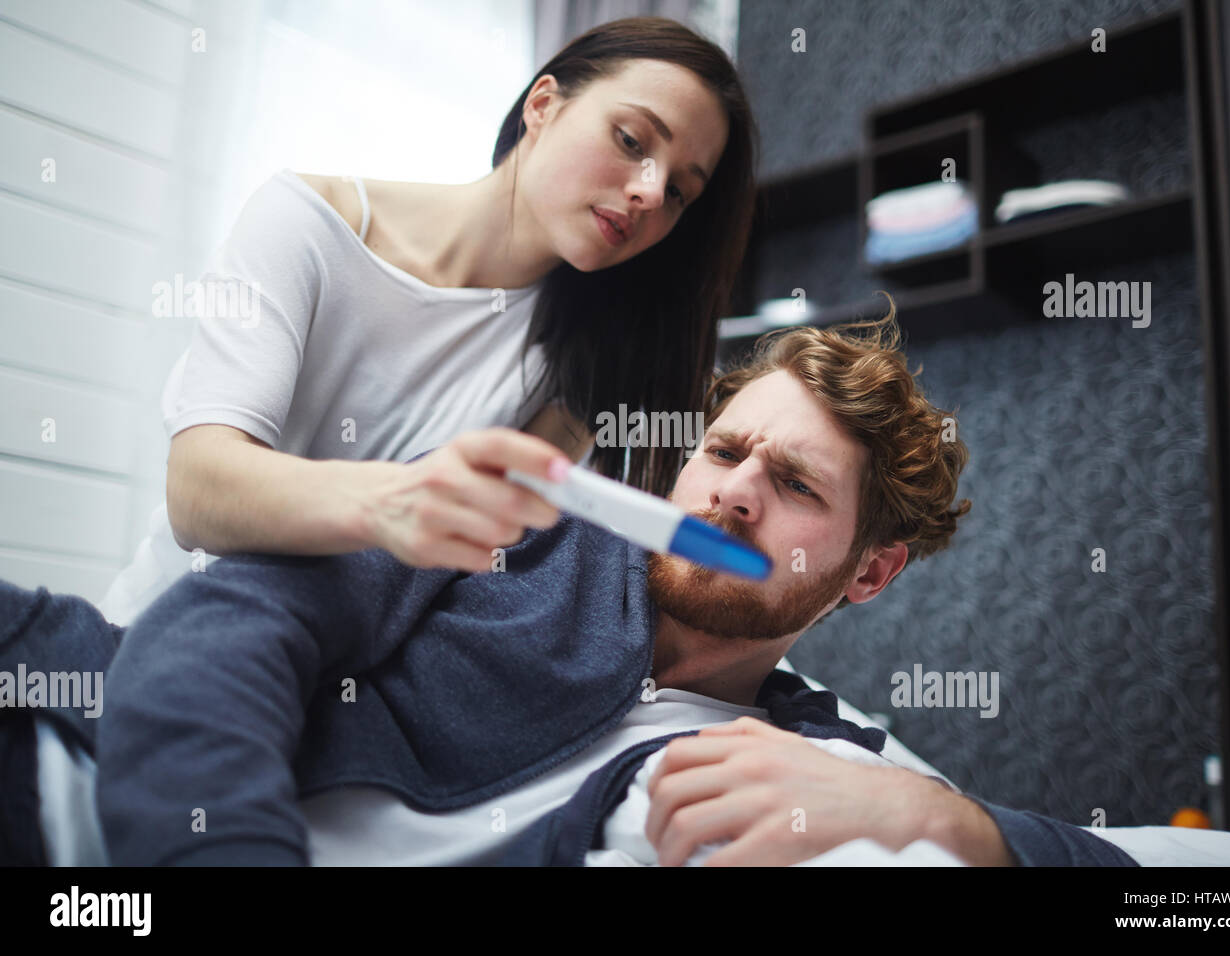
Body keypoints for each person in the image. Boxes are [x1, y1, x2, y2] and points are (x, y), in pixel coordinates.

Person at [0, 314, 1136, 867]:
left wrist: (952, 819)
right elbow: (227, 627)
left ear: (870, 570)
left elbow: (1163, 882)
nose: (734, 492)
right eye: (725, 451)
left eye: (790, 484)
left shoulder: (823, 756)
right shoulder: (526, 522)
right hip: (54, 745)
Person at [97, 16, 758, 626]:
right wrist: (397, 502)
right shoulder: (306, 224)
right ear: (543, 105)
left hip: (321, 688)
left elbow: (451, 581)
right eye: (631, 139)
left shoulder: (581, 363)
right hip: (156, 638)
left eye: (679, 192)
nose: (648, 191)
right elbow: (199, 493)